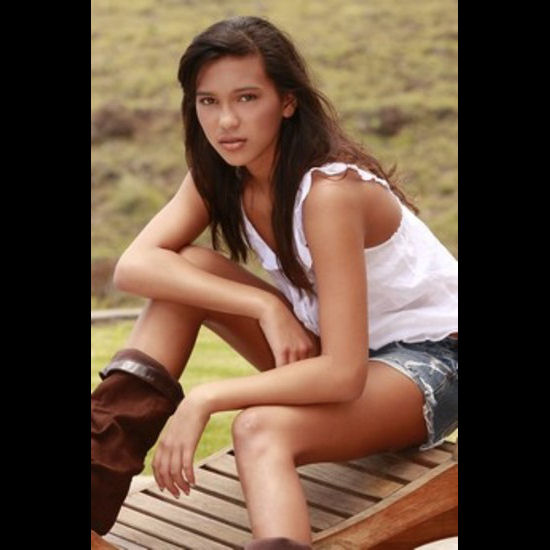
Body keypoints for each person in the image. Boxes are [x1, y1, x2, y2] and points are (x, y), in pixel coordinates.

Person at [91, 15, 458, 550]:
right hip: (340, 353)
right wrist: (264, 306)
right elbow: (135, 266)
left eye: (246, 98)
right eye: (208, 101)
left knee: (259, 428)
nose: (226, 122)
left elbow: (343, 376)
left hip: (428, 363)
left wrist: (206, 398)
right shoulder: (220, 175)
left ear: (287, 101)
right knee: (186, 270)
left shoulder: (329, 194)